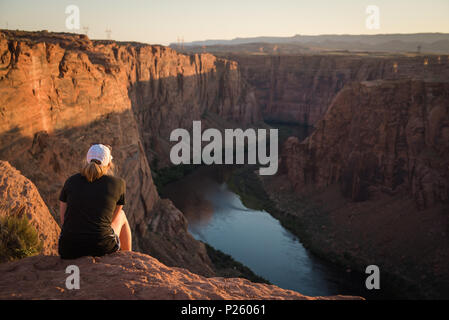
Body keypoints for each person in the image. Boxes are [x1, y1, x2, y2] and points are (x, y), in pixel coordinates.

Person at [58, 144, 132, 259]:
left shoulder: (71, 181)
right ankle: (128, 258)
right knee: (122, 215)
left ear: (87, 161)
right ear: (108, 164)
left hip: (68, 249)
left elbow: (64, 219)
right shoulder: (118, 184)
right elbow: (112, 219)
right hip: (100, 248)